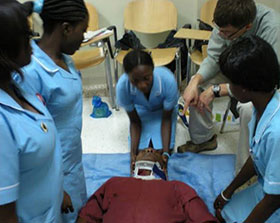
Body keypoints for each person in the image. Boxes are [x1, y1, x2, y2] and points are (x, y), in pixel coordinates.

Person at [179, 0, 280, 169]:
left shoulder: (273, 27)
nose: (220, 34)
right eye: (218, 29)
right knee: (199, 85)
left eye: (226, 33)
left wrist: (216, 90)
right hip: (241, 68)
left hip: (278, 77)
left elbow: (261, 75)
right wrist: (195, 80)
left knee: (249, 108)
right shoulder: (227, 21)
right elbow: (214, 58)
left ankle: (246, 169)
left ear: (247, 27)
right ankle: (203, 140)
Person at [213, 36, 280, 223]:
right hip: (267, 189)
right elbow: (257, 156)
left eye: (230, 82)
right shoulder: (264, 104)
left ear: (244, 88)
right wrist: (228, 191)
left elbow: (274, 200)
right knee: (222, 213)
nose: (227, 86)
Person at [16, 0, 89, 222]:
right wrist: (58, 189)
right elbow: (31, 141)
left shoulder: (65, 60)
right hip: (49, 173)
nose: (84, 38)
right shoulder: (32, 72)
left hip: (71, 162)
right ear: (66, 28)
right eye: (82, 31)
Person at [0, 0, 63, 222]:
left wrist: (58, 190)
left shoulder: (19, 84)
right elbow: (4, 214)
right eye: (27, 35)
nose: (33, 41)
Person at [76, 148, 219, 223]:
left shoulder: (178, 187)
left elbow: (202, 218)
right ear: (133, 165)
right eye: (143, 151)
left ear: (164, 168)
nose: (150, 150)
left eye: (156, 151)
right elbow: (87, 215)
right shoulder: (114, 183)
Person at [116, 50, 178, 171]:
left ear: (153, 69)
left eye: (146, 78)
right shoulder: (123, 87)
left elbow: (166, 119)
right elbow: (134, 121)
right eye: (135, 81)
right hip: (140, 113)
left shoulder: (167, 80)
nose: (142, 85)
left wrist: (166, 153)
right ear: (127, 76)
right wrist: (132, 154)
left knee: (159, 152)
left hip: (163, 113)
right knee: (141, 154)